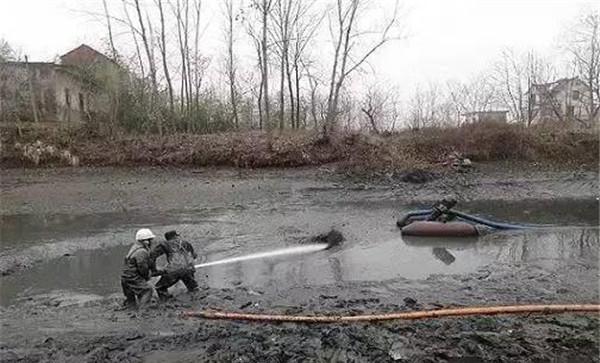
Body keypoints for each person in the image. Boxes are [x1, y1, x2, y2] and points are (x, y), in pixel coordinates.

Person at [152, 230, 199, 300]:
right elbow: (194, 256)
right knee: (193, 288)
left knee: (160, 287)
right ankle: (197, 301)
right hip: (189, 269)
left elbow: (152, 256)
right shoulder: (186, 243)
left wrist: (153, 269)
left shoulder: (164, 244)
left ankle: (167, 302)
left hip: (174, 271)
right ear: (175, 236)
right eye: (177, 235)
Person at [120, 228, 161, 309]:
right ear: (146, 241)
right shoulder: (142, 251)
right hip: (132, 277)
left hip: (125, 277)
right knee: (147, 290)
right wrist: (147, 277)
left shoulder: (135, 247)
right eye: (150, 240)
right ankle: (143, 312)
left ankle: (131, 308)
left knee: (131, 299)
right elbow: (143, 268)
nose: (152, 242)